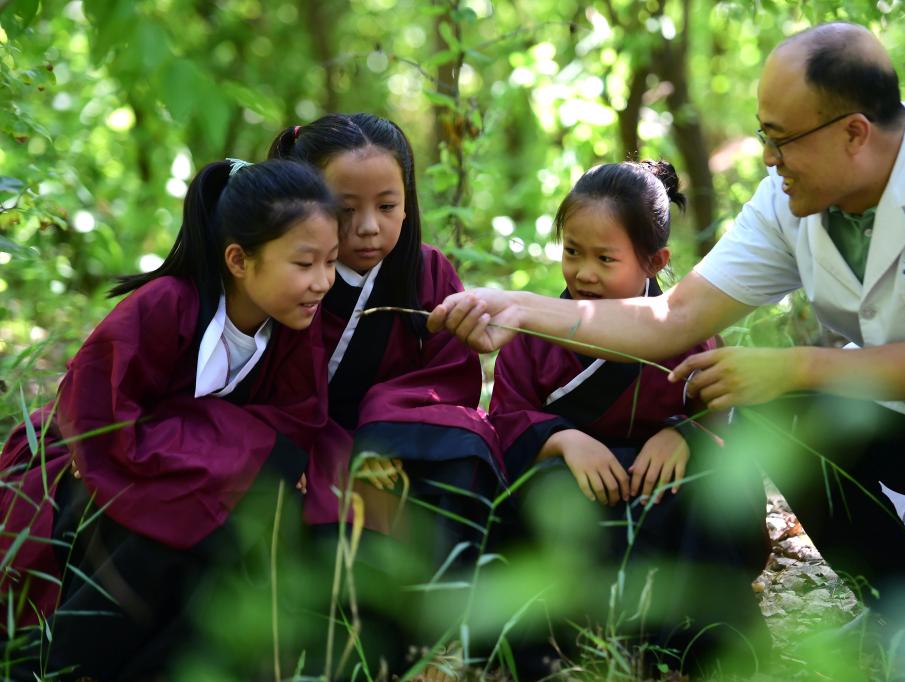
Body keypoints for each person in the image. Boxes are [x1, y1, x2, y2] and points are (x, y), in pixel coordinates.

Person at [430, 21, 905, 661]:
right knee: (781, 415)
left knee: (809, 396)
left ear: (853, 132)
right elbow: (672, 318)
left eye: (782, 138)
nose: (769, 157)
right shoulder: (788, 201)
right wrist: (515, 307)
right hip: (896, 411)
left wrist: (793, 365)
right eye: (764, 134)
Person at [0, 159, 347, 679]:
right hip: (94, 469)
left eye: (331, 262)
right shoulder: (164, 305)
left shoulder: (296, 326)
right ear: (238, 259)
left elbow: (291, 423)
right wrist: (226, 449)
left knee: (253, 534)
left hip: (196, 476)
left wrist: (237, 456)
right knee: (159, 535)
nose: (323, 282)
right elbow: (96, 418)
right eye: (304, 264)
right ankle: (61, 664)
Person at [487, 159, 769, 673]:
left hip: (669, 497)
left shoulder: (688, 332)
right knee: (547, 490)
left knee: (705, 487)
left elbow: (724, 412)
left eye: (604, 258)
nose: (583, 273)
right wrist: (563, 441)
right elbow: (504, 420)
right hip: (580, 493)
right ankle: (562, 640)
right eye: (572, 251)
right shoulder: (534, 339)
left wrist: (685, 435)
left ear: (654, 261)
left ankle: (705, 642)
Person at [267, 114, 503, 548]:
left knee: (469, 448)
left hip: (405, 435)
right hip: (313, 436)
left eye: (387, 206)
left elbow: (452, 376)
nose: (369, 227)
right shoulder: (284, 277)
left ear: (408, 202)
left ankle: (453, 595)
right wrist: (313, 445)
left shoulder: (428, 270)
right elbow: (266, 384)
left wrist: (386, 428)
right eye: (346, 208)